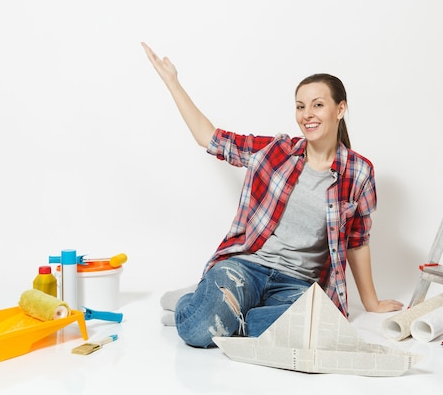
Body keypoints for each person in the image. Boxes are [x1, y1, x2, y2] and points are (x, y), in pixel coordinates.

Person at [142, 42, 403, 348]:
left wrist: (370, 302)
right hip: (245, 268)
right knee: (199, 332)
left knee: (321, 328)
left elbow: (358, 241)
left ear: (340, 109)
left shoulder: (359, 172)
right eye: (300, 106)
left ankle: (220, 310)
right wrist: (173, 82)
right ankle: (203, 303)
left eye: (318, 104)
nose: (307, 114)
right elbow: (209, 137)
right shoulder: (275, 151)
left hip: (297, 283)